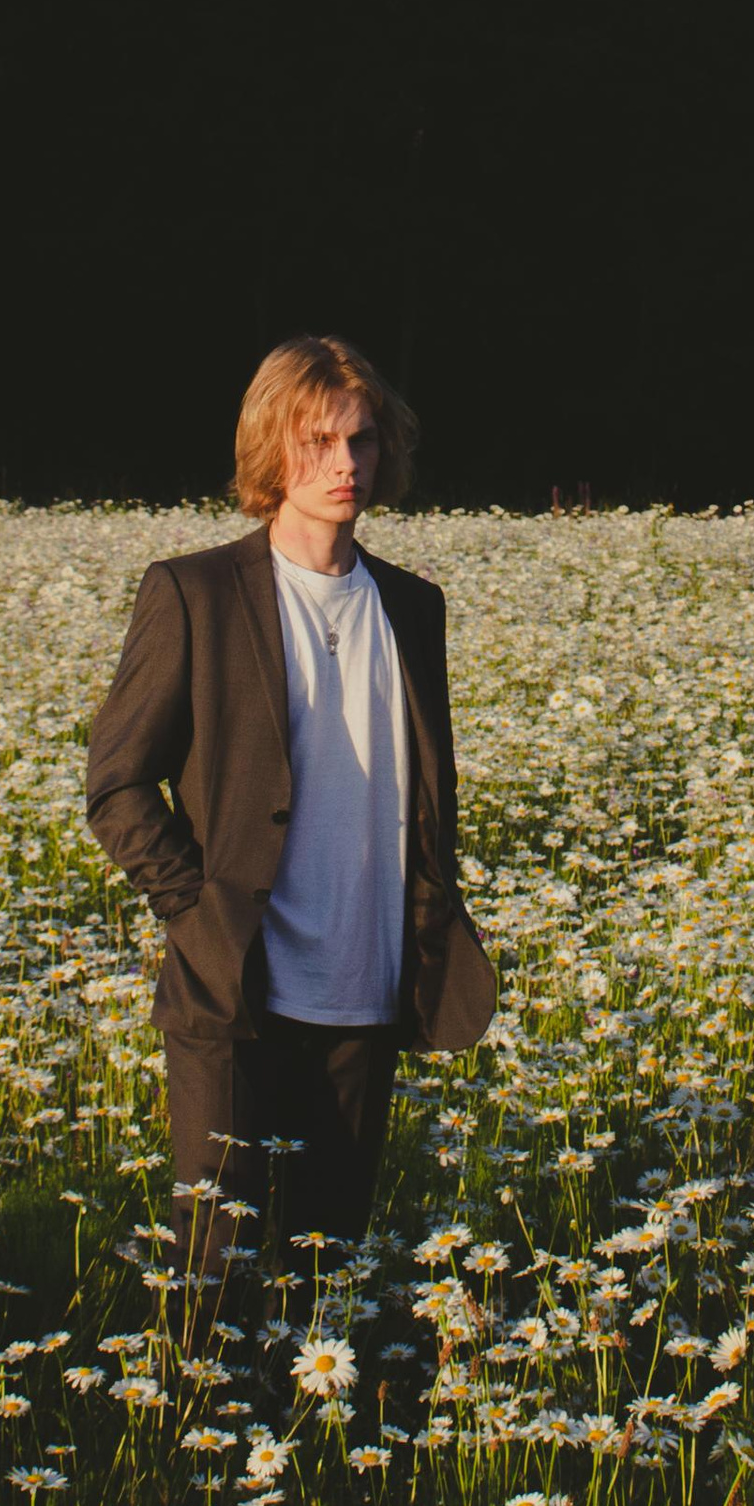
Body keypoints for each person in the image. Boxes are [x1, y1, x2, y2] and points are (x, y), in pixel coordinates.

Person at [87, 335, 494, 1320]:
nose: (345, 465)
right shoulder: (194, 593)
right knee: (215, 1275)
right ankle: (197, 1461)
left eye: (360, 441)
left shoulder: (413, 608)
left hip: (368, 987)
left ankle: (318, 1460)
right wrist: (199, 915)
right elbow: (118, 785)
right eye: (318, 442)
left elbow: (424, 794)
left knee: (329, 1273)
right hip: (237, 991)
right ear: (271, 451)